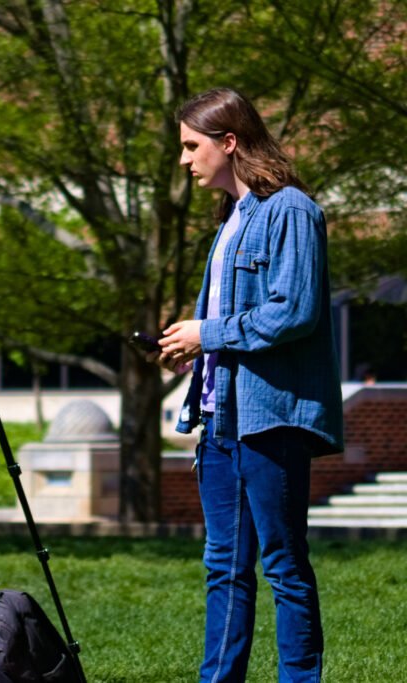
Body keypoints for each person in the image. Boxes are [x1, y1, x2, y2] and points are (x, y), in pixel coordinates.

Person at [158, 87, 344, 683]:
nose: (185, 160)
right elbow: (236, 325)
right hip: (220, 420)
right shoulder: (230, 219)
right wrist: (187, 351)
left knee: (284, 565)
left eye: (192, 146)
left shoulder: (291, 210)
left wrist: (207, 332)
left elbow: (296, 311)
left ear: (228, 142)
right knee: (224, 567)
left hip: (271, 421)